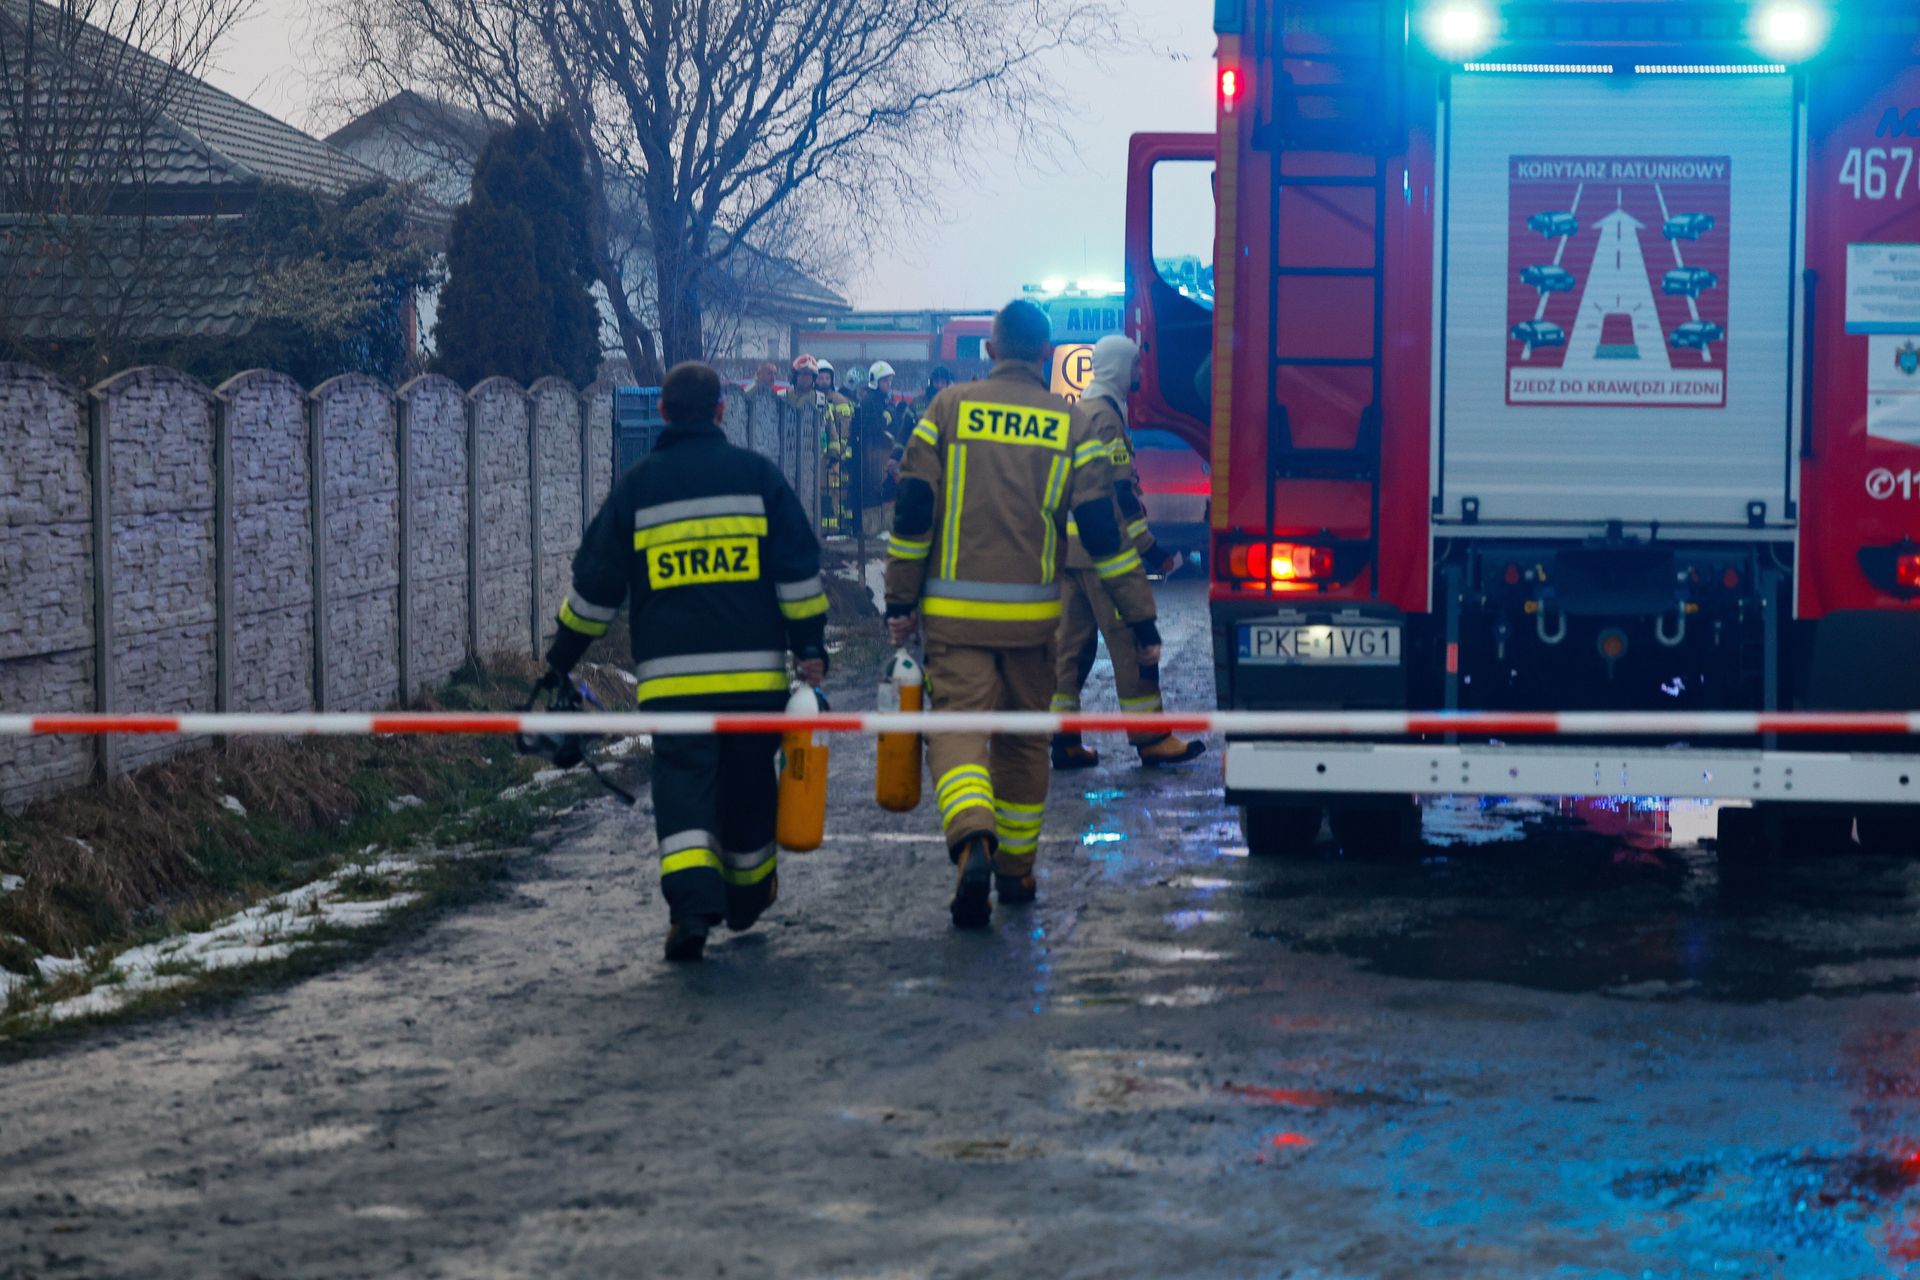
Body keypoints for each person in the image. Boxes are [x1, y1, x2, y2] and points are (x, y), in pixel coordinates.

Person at [541, 361, 831, 964]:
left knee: (684, 790)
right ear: (722, 412)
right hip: (754, 680)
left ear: (665, 414)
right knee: (751, 783)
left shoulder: (639, 487)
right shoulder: (758, 478)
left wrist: (561, 658)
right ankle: (748, 896)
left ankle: (692, 908)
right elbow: (798, 572)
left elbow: (596, 586)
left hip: (674, 685)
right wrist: (809, 646)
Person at [886, 301, 1160, 930]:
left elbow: (911, 512)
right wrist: (1141, 620)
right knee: (1021, 745)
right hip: (1034, 628)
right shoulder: (1071, 427)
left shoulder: (947, 410)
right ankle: (1015, 871)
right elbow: (1104, 535)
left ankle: (973, 837)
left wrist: (900, 601)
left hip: (954, 626)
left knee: (957, 736)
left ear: (989, 350)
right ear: (1046, 357)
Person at [1051, 335, 1207, 770]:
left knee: (1070, 651)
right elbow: (1119, 494)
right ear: (1120, 369)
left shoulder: (1081, 411)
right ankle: (1151, 736)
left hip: (1072, 555)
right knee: (1133, 642)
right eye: (1136, 365)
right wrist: (1151, 550)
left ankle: (1062, 741)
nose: (1141, 373)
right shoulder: (1104, 418)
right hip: (1103, 555)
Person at [816, 360, 855, 535]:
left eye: (826, 378)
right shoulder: (814, 398)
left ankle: (836, 527)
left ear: (831, 380)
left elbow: (845, 431)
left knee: (836, 493)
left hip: (836, 458)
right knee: (821, 492)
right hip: (818, 456)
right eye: (820, 377)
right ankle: (823, 526)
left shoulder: (840, 401)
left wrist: (838, 454)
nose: (823, 381)